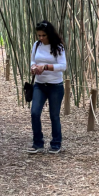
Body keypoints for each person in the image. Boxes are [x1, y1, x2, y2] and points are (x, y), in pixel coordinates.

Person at [28, 20, 67, 154]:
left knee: (54, 115)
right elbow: (33, 61)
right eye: (39, 35)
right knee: (34, 113)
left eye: (43, 35)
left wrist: (45, 67)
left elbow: (63, 66)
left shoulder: (58, 47)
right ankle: (38, 143)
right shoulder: (37, 45)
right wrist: (34, 67)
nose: (41, 38)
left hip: (55, 85)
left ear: (49, 34)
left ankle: (56, 143)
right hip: (40, 84)